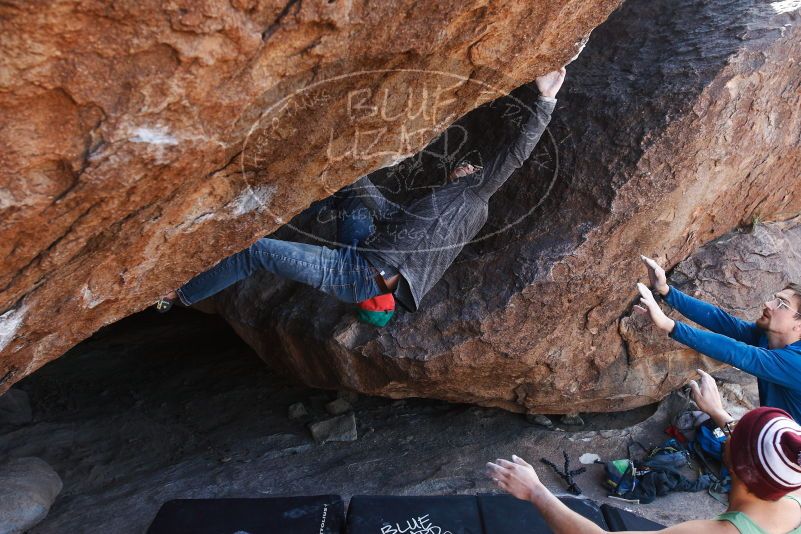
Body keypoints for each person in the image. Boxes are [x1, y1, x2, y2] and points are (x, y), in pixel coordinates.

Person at [155, 68, 567, 320]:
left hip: (360, 275)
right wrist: (350, 171)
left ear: (476, 178)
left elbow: (514, 154)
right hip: (368, 257)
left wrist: (545, 100)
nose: (466, 167)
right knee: (351, 198)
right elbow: (384, 213)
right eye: (468, 165)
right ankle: (298, 209)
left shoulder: (473, 198)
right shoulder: (436, 206)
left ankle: (180, 294)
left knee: (255, 252)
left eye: (473, 169)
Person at [488, 369, 801, 533]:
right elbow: (753, 454)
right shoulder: (791, 479)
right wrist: (718, 412)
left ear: (736, 465)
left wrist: (535, 491)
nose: (727, 428)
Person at [634, 255, 801, 422]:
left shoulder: (797, 364)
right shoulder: (767, 338)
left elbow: (738, 352)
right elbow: (722, 322)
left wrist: (668, 324)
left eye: (782, 304)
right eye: (775, 298)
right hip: (773, 432)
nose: (768, 303)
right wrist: (666, 290)